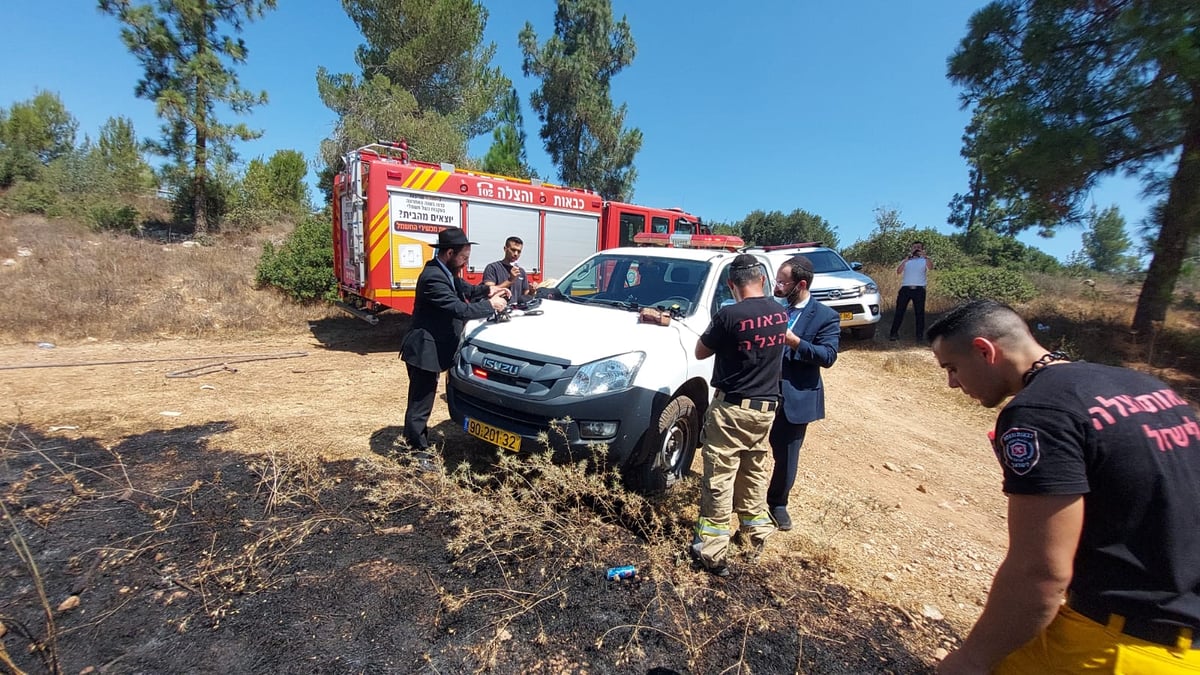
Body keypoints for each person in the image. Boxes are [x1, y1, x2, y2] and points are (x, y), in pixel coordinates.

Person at [928, 299, 1200, 674]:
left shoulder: (1039, 412)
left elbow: (1040, 572)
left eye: (953, 368)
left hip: (1117, 647)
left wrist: (971, 660)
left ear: (984, 350)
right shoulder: (1146, 386)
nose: (952, 383)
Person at [690, 254, 788, 577]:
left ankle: (713, 552)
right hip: (765, 411)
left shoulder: (728, 315)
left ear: (732, 284)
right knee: (754, 472)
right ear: (762, 279)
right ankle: (754, 538)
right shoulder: (779, 314)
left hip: (732, 411)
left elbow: (700, 352)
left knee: (720, 475)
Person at [400, 227, 510, 465]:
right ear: (449, 253)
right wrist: (493, 305)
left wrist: (490, 289)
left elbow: (467, 290)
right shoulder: (433, 278)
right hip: (424, 350)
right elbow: (460, 309)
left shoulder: (446, 272)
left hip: (434, 348)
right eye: (463, 258)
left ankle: (412, 441)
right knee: (421, 402)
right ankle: (415, 451)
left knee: (423, 399)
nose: (465, 263)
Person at [766, 256, 840, 531]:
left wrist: (793, 341)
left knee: (786, 454)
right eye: (777, 280)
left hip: (796, 394)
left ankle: (777, 503)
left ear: (801, 284)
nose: (778, 286)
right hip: (763, 390)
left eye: (783, 282)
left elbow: (828, 356)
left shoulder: (825, 316)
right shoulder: (773, 309)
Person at [888, 241, 932, 342]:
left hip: (919, 289)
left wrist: (926, 256)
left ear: (922, 249)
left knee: (919, 313)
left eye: (919, 247)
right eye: (914, 247)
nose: (916, 249)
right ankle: (893, 334)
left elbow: (931, 267)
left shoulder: (924, 260)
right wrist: (905, 261)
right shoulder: (907, 260)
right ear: (911, 249)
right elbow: (898, 272)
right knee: (899, 311)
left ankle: (919, 336)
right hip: (905, 289)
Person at [482, 236, 538, 301]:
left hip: (517, 310)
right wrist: (510, 280)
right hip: (498, 309)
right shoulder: (492, 268)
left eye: (519, 251)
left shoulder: (521, 272)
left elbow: (525, 295)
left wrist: (532, 291)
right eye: (513, 250)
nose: (516, 254)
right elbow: (489, 292)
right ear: (505, 249)